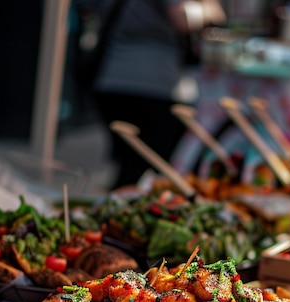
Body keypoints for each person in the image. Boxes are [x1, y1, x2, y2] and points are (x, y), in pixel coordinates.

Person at [89, 0, 225, 190]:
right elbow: (182, 18)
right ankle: (117, 212)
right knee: (145, 168)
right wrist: (210, 9)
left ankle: (114, 209)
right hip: (153, 85)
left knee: (131, 165)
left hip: (112, 78)